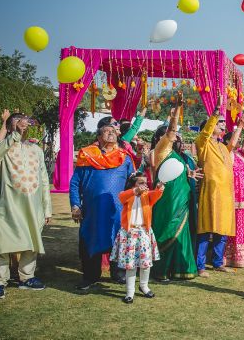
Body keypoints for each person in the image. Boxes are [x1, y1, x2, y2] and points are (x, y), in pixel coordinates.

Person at [70, 124, 134, 290]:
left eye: (113, 131)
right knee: (89, 239)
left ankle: (119, 275)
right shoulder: (87, 155)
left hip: (116, 210)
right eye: (107, 130)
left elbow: (132, 183)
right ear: (98, 137)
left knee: (118, 241)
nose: (111, 132)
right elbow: (75, 183)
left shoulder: (124, 157)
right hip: (92, 210)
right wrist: (75, 205)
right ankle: (90, 277)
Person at [0, 111, 52, 298]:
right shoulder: (3, 148)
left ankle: (26, 277)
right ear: (11, 125)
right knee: (2, 243)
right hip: (7, 205)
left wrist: (47, 208)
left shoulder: (35, 149)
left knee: (32, 241)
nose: (23, 124)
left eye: (25, 122)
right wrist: (12, 132)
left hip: (33, 206)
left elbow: (44, 180)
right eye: (18, 122)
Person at [149, 109, 201, 281]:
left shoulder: (178, 156)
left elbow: (174, 173)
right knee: (166, 232)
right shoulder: (161, 150)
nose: (177, 137)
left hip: (182, 200)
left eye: (178, 136)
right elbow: (170, 132)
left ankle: (181, 269)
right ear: (160, 139)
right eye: (174, 135)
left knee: (182, 233)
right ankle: (161, 271)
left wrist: (189, 176)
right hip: (168, 201)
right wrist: (175, 114)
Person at [195, 97, 236, 276]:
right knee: (206, 228)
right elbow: (204, 134)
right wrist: (216, 112)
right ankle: (201, 265)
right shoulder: (203, 144)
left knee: (223, 228)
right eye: (220, 123)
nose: (223, 125)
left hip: (226, 194)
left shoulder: (222, 147)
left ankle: (218, 262)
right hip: (211, 192)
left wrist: (241, 126)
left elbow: (233, 145)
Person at [111, 172, 163, 303]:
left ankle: (144, 286)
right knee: (131, 265)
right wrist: (135, 191)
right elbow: (121, 197)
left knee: (145, 264)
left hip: (143, 232)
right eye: (141, 183)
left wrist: (159, 188)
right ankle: (130, 292)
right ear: (134, 184)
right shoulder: (128, 194)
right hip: (129, 233)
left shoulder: (147, 195)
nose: (145, 185)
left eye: (146, 183)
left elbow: (155, 195)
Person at [223, 120, 244, 268]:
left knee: (242, 225)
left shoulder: (242, 154)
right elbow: (232, 143)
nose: (237, 141)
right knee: (230, 225)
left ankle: (240, 257)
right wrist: (240, 128)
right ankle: (226, 256)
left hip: (243, 196)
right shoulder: (225, 153)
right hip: (229, 196)